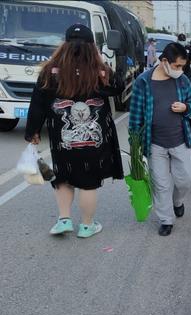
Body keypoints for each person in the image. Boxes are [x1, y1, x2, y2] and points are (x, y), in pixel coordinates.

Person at [25, 24, 124, 238]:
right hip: (93, 139)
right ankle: (87, 226)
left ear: (65, 45)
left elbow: (38, 102)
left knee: (62, 177)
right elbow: (119, 87)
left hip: (62, 137)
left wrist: (32, 131)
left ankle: (64, 220)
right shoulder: (100, 71)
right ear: (92, 47)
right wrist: (100, 62)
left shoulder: (51, 70)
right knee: (88, 183)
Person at [129, 42, 191, 236]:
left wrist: (185, 108)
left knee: (185, 179)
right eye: (177, 66)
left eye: (182, 66)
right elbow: (135, 115)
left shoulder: (182, 80)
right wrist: (135, 144)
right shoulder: (143, 81)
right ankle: (166, 220)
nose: (180, 70)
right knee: (161, 183)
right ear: (165, 61)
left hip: (180, 140)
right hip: (154, 143)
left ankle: (177, 201)